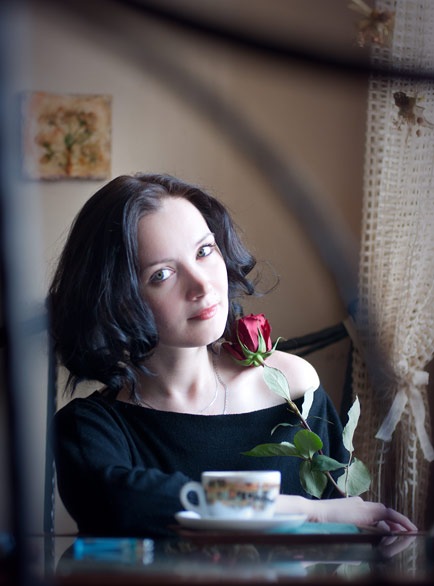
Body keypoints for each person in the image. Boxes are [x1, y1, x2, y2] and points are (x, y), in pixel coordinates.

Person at [49, 172, 417, 538]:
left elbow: (348, 527)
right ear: (117, 300)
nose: (202, 284)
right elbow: (126, 503)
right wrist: (308, 512)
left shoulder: (291, 387)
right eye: (162, 274)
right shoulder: (90, 429)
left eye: (204, 251)